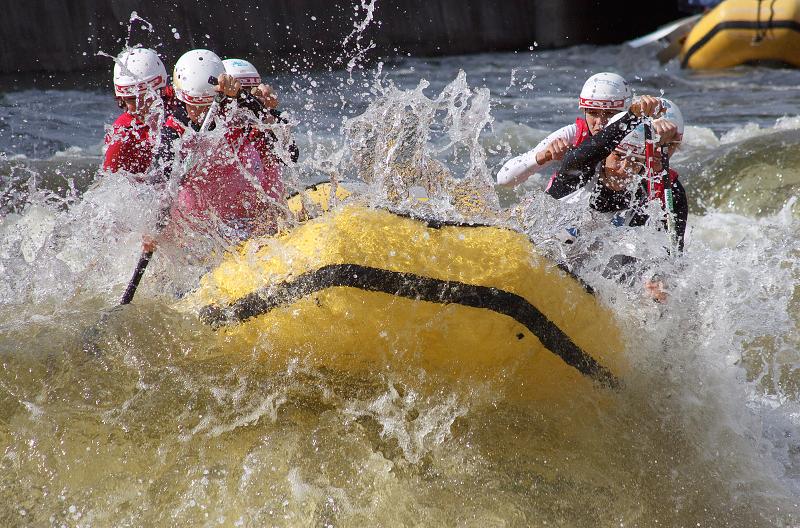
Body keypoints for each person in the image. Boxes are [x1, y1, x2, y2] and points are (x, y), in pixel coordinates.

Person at [547, 96, 688, 301]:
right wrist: (633, 116)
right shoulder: (579, 171)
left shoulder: (646, 192)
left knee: (624, 263)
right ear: (605, 152)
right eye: (619, 157)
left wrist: (658, 281)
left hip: (582, 281)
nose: (624, 169)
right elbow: (592, 150)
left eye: (635, 161)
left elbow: (670, 251)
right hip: (545, 261)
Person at [148, 49, 285, 244]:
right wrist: (156, 226)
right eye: (195, 106)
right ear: (182, 99)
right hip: (201, 227)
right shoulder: (174, 131)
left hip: (245, 215)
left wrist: (240, 95)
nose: (203, 113)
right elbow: (160, 179)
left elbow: (287, 148)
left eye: (208, 105)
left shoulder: (233, 110)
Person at [497, 72, 631, 187]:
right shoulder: (572, 135)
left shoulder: (638, 134)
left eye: (609, 114)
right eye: (593, 113)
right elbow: (503, 179)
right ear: (584, 112)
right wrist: (542, 156)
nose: (600, 123)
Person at [103, 47, 174, 176]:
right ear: (121, 99)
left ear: (162, 90)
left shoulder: (180, 100)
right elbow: (107, 185)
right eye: (131, 99)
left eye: (147, 96)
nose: (141, 107)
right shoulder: (122, 136)